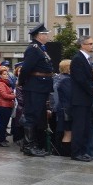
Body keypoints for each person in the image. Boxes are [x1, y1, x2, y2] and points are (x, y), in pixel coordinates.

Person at [18, 24, 54, 157]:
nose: (47, 36)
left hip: (40, 87)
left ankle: (33, 144)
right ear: (39, 36)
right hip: (34, 87)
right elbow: (26, 68)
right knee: (31, 116)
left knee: (37, 116)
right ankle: (28, 145)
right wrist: (21, 83)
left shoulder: (40, 48)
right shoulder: (33, 49)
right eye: (45, 34)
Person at [69, 36, 93, 161]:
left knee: (85, 127)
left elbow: (87, 79)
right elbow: (80, 79)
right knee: (79, 127)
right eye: (90, 44)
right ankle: (77, 153)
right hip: (79, 99)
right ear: (82, 45)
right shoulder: (78, 59)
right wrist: (92, 89)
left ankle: (83, 151)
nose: (92, 46)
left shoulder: (86, 59)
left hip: (85, 98)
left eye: (92, 43)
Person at [52, 59, 73, 156]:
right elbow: (56, 96)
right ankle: (64, 152)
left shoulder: (58, 78)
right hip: (64, 109)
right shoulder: (64, 79)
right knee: (66, 132)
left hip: (60, 109)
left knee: (63, 132)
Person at [0, 67, 16, 147]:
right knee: (3, 124)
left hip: (6, 105)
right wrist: (14, 96)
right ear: (0, 75)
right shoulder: (1, 83)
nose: (6, 75)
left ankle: (2, 139)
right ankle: (1, 140)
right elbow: (4, 95)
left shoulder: (6, 83)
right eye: (4, 74)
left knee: (4, 123)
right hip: (3, 106)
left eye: (7, 74)